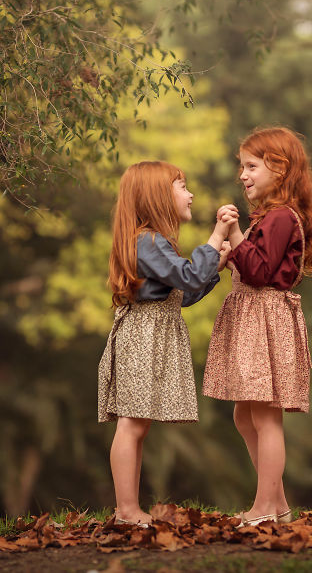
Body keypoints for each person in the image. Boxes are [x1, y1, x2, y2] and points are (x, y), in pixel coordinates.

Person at [98, 160, 236, 526]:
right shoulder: (147, 240)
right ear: (158, 196)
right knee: (131, 424)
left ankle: (128, 508)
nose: (190, 194)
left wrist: (213, 271)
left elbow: (181, 295)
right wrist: (217, 233)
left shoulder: (155, 242)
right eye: (182, 186)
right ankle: (126, 510)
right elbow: (188, 278)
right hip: (141, 337)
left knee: (137, 424)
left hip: (152, 333)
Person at [203, 127, 312, 527]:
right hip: (254, 319)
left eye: (251, 166)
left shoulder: (281, 218)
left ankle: (263, 508)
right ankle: (279, 504)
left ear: (280, 169)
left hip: (266, 321)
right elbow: (253, 263)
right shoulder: (268, 219)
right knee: (244, 415)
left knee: (267, 417)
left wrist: (235, 236)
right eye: (242, 167)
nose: (242, 175)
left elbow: (257, 272)